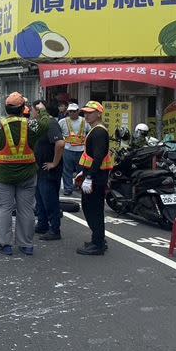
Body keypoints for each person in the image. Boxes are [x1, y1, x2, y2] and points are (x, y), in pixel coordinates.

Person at [0, 92, 47, 256]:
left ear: (6, 108)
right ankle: (26, 245)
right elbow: (46, 123)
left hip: (2, 176)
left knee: (3, 209)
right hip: (27, 175)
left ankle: (4, 244)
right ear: (23, 108)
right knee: (26, 210)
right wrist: (42, 110)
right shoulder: (32, 125)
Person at [75, 101, 112, 256]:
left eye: (90, 112)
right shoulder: (95, 130)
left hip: (96, 177)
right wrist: (83, 173)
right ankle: (97, 239)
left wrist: (89, 177)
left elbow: (98, 156)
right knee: (91, 208)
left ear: (99, 113)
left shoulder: (98, 132)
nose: (87, 115)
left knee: (93, 210)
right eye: (85, 112)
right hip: (94, 175)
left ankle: (98, 244)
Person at [32, 100, 65, 241]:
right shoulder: (41, 124)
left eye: (33, 110)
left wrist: (54, 163)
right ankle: (42, 224)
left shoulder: (51, 123)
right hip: (40, 168)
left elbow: (60, 143)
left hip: (49, 169)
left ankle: (54, 229)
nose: (32, 113)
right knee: (40, 198)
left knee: (49, 199)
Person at [58, 103, 89, 196]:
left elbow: (90, 132)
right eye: (70, 111)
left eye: (74, 111)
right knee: (67, 170)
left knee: (81, 170)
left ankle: (78, 186)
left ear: (78, 111)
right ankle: (68, 188)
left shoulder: (85, 121)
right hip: (68, 149)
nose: (72, 113)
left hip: (81, 150)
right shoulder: (62, 122)